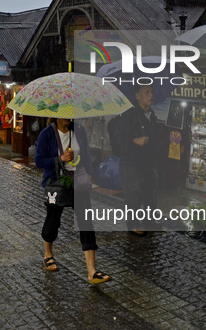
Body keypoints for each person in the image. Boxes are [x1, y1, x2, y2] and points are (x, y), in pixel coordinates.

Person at [35, 118, 112, 285]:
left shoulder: (79, 130)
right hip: (56, 183)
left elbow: (86, 155)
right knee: (53, 220)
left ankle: (92, 271)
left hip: (79, 182)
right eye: (65, 115)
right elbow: (39, 161)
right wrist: (60, 158)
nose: (68, 119)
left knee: (86, 222)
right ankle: (48, 254)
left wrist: (90, 173)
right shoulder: (47, 134)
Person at [114, 84, 161, 236]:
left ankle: (149, 219)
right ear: (137, 95)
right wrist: (135, 140)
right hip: (131, 163)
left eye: (152, 91)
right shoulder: (129, 114)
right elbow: (119, 138)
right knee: (133, 195)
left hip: (149, 163)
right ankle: (133, 224)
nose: (151, 95)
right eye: (146, 92)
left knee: (150, 193)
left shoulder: (151, 114)